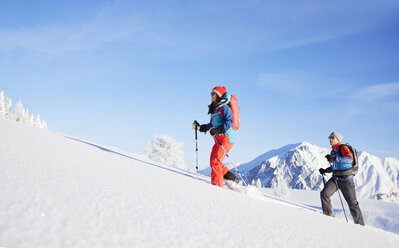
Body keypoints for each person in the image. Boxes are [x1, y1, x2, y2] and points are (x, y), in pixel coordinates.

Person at [192, 86, 239, 187]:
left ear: (218, 95)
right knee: (213, 162)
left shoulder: (224, 108)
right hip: (218, 140)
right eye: (211, 94)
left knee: (215, 161)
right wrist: (200, 127)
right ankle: (231, 178)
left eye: (213, 94)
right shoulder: (215, 109)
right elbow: (211, 125)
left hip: (226, 138)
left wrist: (218, 130)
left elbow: (229, 122)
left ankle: (217, 186)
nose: (211, 96)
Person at [319, 131, 365, 225]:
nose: (330, 139)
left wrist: (334, 159)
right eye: (329, 137)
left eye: (332, 137)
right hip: (336, 178)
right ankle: (328, 217)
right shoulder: (333, 151)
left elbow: (349, 159)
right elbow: (337, 166)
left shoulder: (343, 148)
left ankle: (361, 226)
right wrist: (326, 170)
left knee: (352, 204)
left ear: (337, 139)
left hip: (346, 180)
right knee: (324, 194)